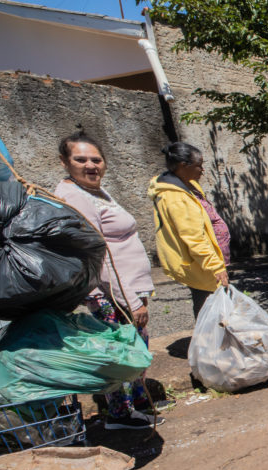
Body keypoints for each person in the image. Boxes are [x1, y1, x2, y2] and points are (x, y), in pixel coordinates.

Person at [54, 131, 161, 430]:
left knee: (135, 343)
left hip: (124, 288)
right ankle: (120, 413)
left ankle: (138, 400)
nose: (91, 165)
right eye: (81, 159)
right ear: (64, 162)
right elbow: (98, 254)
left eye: (96, 159)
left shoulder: (94, 191)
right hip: (110, 291)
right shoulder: (75, 196)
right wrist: (131, 300)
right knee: (119, 351)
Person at [149, 142, 230, 317]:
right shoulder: (175, 197)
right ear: (183, 165)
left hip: (209, 261)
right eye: (198, 165)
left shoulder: (188, 184)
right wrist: (216, 267)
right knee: (208, 309)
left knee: (217, 306)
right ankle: (209, 335)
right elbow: (193, 237)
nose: (202, 170)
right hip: (203, 264)